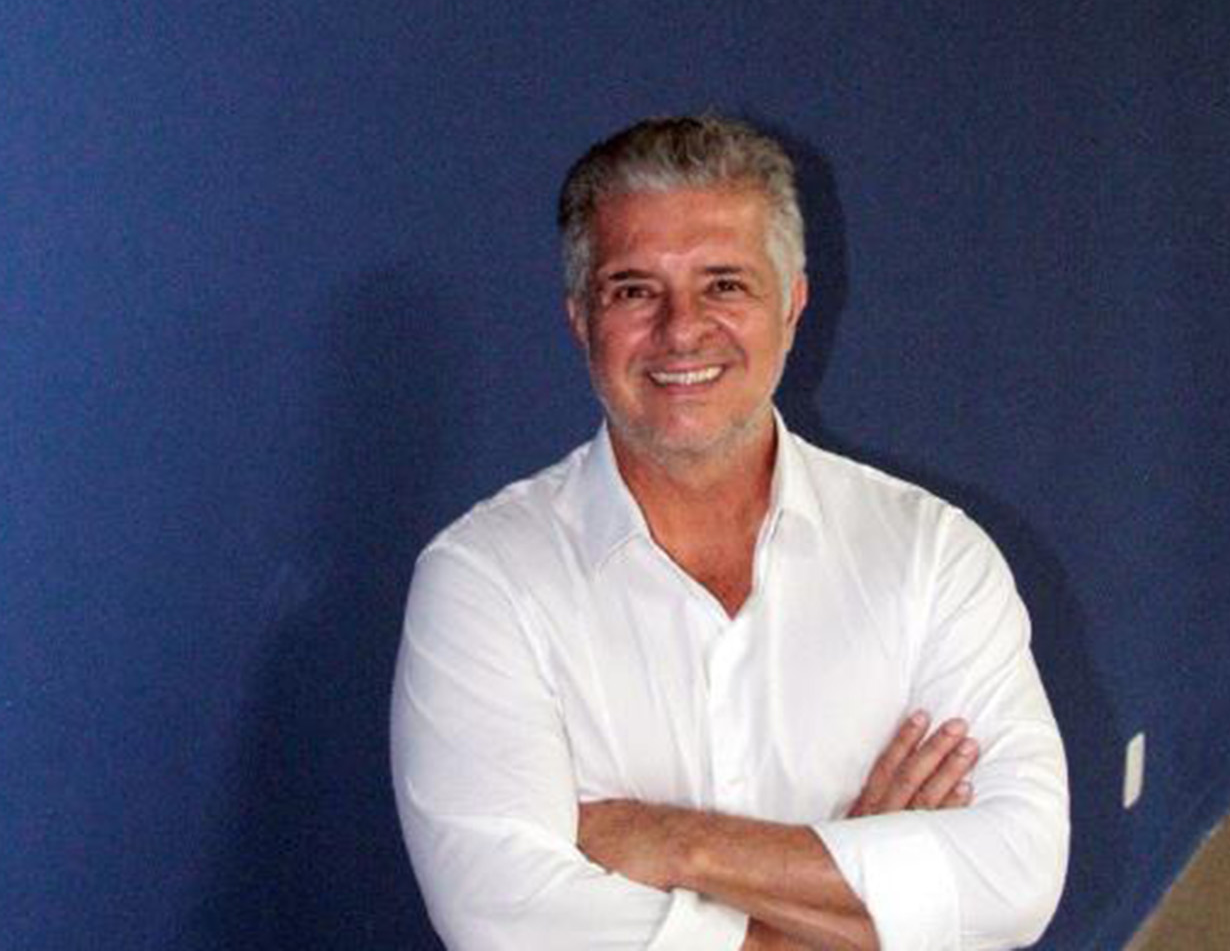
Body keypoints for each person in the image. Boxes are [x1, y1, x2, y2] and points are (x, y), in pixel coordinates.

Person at [390, 115, 1069, 950]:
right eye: (633, 290)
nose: (682, 329)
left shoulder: (933, 555)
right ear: (581, 321)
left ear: (792, 306)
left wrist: (678, 843)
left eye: (724, 285)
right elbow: (507, 922)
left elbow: (1016, 877)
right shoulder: (483, 580)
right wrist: (866, 888)